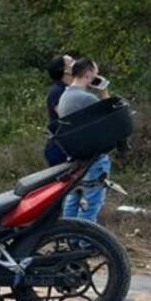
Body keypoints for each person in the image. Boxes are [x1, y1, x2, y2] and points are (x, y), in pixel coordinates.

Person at [56, 57, 112, 222]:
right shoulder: (86, 98)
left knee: (73, 198)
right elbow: (111, 114)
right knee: (91, 202)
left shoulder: (65, 96)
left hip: (76, 155)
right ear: (88, 74)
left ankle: (69, 235)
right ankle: (85, 242)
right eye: (96, 74)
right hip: (93, 156)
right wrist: (104, 91)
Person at [44, 54, 73, 166]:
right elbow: (66, 116)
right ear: (65, 70)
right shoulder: (57, 91)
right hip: (60, 148)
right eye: (71, 62)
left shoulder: (72, 89)